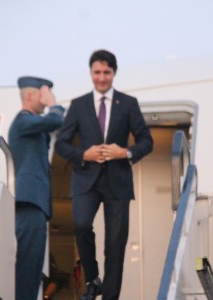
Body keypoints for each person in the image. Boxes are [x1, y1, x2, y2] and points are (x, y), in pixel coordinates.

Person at [55, 49, 153, 300]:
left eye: (106, 72)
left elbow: (146, 142)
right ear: (91, 73)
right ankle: (93, 279)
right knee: (81, 225)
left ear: (114, 73)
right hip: (86, 178)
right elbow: (61, 144)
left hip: (118, 182)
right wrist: (82, 155)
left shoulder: (128, 103)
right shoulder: (78, 105)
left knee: (115, 246)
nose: (101, 78)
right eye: (97, 72)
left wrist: (125, 153)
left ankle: (110, 297)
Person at [8, 76, 65, 300]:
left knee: (32, 269)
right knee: (27, 267)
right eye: (43, 94)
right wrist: (54, 104)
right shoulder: (23, 121)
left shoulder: (33, 127)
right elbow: (55, 121)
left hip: (36, 203)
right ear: (29, 95)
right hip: (29, 201)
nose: (46, 99)